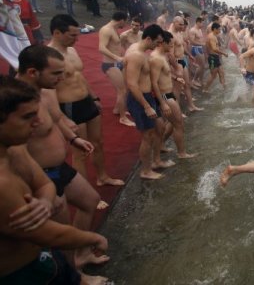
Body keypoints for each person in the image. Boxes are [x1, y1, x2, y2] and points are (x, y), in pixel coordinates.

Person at [0, 76, 108, 285]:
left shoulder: (13, 151)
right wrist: (94, 239)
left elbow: (44, 184)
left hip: (44, 258)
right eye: (27, 117)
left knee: (89, 200)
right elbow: (46, 235)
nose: (38, 122)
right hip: (21, 273)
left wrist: (45, 201)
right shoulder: (2, 182)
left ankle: (77, 266)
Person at [48, 15, 124, 192]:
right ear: (57, 33)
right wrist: (62, 118)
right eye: (72, 36)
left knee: (98, 143)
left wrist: (94, 97)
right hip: (70, 106)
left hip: (86, 101)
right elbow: (48, 91)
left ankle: (102, 177)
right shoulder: (48, 57)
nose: (77, 39)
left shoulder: (72, 51)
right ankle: (86, 191)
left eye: (77, 35)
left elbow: (79, 76)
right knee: (80, 153)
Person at [124, 24, 171, 180]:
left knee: (160, 127)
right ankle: (145, 170)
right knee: (147, 135)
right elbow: (131, 83)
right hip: (140, 99)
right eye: (156, 42)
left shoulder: (140, 51)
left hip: (148, 97)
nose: (157, 45)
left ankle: (156, 161)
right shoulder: (136, 55)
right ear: (149, 38)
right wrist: (146, 106)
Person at [149, 31, 197, 159]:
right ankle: (181, 153)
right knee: (178, 124)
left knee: (174, 123)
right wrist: (163, 103)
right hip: (164, 96)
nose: (171, 47)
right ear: (163, 43)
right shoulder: (156, 59)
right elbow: (153, 83)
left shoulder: (163, 56)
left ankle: (162, 144)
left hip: (168, 93)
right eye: (169, 45)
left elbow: (165, 73)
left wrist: (176, 78)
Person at [98, 11, 135, 127]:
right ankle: (123, 118)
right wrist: (116, 57)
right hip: (110, 65)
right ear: (121, 20)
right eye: (126, 21)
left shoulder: (113, 29)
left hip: (117, 63)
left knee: (124, 89)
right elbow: (101, 48)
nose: (126, 24)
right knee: (122, 91)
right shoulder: (106, 30)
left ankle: (117, 109)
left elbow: (116, 46)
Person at [203, 23, 229, 92]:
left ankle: (224, 88)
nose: (220, 30)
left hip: (215, 57)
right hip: (212, 58)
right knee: (213, 76)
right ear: (215, 29)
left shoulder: (214, 36)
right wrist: (223, 53)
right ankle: (205, 89)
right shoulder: (211, 37)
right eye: (219, 29)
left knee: (221, 73)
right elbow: (214, 48)